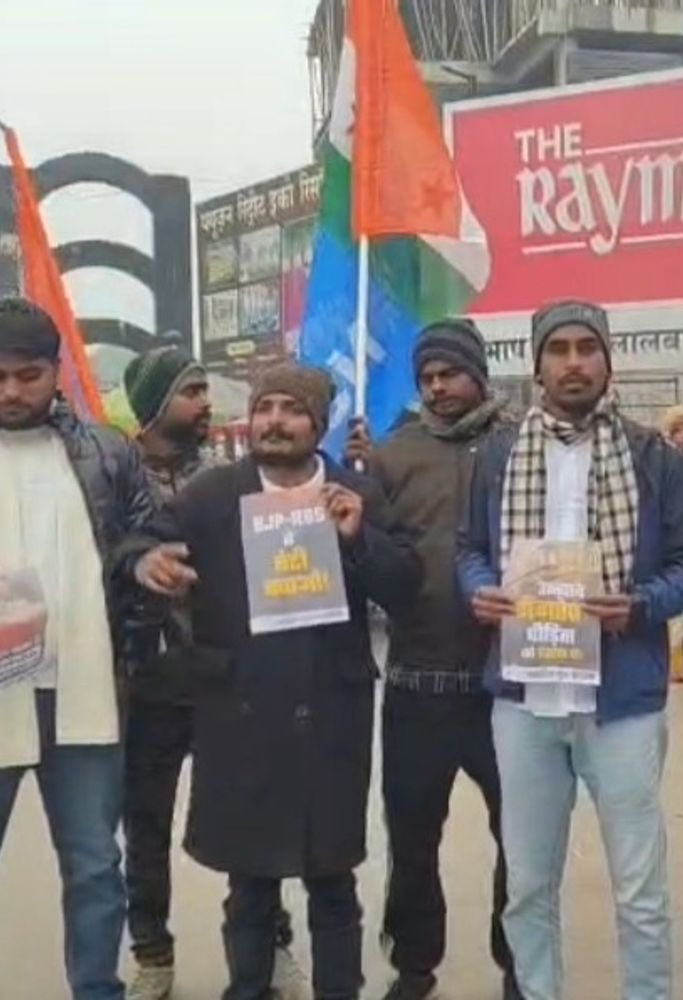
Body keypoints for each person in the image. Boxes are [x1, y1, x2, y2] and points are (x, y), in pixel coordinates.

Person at [125, 363, 421, 1000]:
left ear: (318, 423)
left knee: (333, 882)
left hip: (329, 716)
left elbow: (405, 585)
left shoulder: (353, 491)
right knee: (250, 886)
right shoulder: (211, 495)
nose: (275, 422)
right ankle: (249, 988)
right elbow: (141, 546)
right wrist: (148, 563)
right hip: (242, 714)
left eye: (291, 409)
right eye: (265, 408)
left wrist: (359, 539)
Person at [457, 299, 683, 1000]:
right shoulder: (499, 454)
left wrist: (640, 605)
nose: (574, 362)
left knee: (640, 888)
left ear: (608, 360)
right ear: (537, 364)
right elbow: (469, 549)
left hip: (621, 700)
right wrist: (479, 590)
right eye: (559, 349)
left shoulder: (653, 456)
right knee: (528, 884)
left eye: (586, 348)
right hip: (524, 698)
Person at [344, 319, 520, 1000]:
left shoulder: (522, 444)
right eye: (427, 378)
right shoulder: (391, 457)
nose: (439, 387)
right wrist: (360, 524)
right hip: (419, 681)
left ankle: (520, 963)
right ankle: (415, 967)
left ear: (479, 373)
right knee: (413, 838)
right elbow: (378, 569)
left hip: (509, 684)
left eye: (450, 373)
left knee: (521, 837)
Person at [121, 347, 304, 1000]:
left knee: (252, 821)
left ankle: (270, 947)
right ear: (154, 403)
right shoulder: (118, 476)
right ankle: (152, 954)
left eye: (205, 389)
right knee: (145, 829)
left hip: (229, 679)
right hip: (148, 681)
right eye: (191, 391)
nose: (205, 403)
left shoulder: (233, 478)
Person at [0, 297, 155, 1000]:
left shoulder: (106, 452)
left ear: (56, 371)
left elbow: (142, 535)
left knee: (94, 865)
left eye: (27, 375)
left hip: (82, 691)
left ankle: (96, 989)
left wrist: (149, 563)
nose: (11, 391)